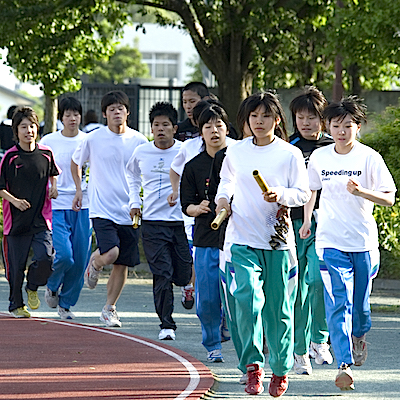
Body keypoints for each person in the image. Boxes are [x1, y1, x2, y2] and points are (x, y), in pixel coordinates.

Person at [215, 92, 310, 397]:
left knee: (279, 310)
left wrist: (280, 194)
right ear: (246, 120)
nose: (259, 122)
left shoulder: (289, 154)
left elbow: (302, 193)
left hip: (278, 242)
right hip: (242, 238)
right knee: (246, 300)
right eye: (253, 116)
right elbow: (227, 181)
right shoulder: (236, 151)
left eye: (265, 116)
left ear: (277, 120)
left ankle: (280, 370)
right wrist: (222, 201)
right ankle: (253, 367)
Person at [300, 96, 396, 391]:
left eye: (348, 125)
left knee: (361, 308)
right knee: (337, 300)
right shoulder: (320, 158)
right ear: (328, 127)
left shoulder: (369, 158)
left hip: (363, 242)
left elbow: (389, 197)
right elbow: (310, 190)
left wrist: (363, 192)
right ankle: (343, 363)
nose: (342, 131)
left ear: (358, 127)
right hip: (329, 241)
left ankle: (359, 336)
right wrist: (306, 221)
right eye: (336, 125)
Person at [71, 90, 148, 327]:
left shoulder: (139, 141)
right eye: (112, 109)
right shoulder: (93, 139)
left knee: (122, 262)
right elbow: (76, 162)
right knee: (111, 252)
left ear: (128, 112)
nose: (117, 112)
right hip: (101, 208)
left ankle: (109, 308)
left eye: (121, 108)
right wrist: (78, 189)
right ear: (105, 114)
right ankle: (95, 262)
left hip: (129, 210)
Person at [127, 102, 192, 341]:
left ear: (174, 128)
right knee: (162, 273)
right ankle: (167, 324)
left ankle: (186, 285)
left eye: (166, 125)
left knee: (183, 272)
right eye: (156, 125)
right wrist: (134, 200)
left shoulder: (186, 150)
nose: (161, 129)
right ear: (151, 128)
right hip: (153, 222)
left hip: (181, 221)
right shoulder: (141, 152)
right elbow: (131, 175)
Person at [288, 86, 334, 375]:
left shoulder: (333, 147)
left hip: (327, 225)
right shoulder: (288, 148)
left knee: (319, 281)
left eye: (312, 117)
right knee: (297, 291)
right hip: (292, 224)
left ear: (323, 119)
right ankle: (300, 351)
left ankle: (320, 339)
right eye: (300, 117)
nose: (306, 123)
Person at [180, 103, 230, 362]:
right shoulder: (193, 166)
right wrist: (196, 208)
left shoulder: (238, 159)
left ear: (226, 128)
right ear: (200, 132)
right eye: (207, 126)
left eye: (218, 125)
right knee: (208, 296)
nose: (214, 130)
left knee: (238, 294)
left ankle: (236, 332)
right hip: (206, 237)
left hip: (238, 237)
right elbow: (184, 203)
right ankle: (213, 344)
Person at [0, 106, 59, 318]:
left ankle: (32, 286)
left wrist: (53, 186)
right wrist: (14, 201)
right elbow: (0, 187)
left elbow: (53, 172)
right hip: (15, 223)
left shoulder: (46, 153)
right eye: (23, 127)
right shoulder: (9, 157)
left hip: (41, 220)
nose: (29, 131)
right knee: (15, 270)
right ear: (16, 131)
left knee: (47, 259)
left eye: (32, 126)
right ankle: (16, 305)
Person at [40, 97, 92, 319]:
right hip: (58, 204)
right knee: (65, 255)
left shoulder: (89, 140)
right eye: (68, 114)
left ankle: (66, 302)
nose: (73, 118)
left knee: (80, 260)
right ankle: (52, 284)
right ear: (60, 117)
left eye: (76, 114)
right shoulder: (49, 141)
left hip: (85, 205)